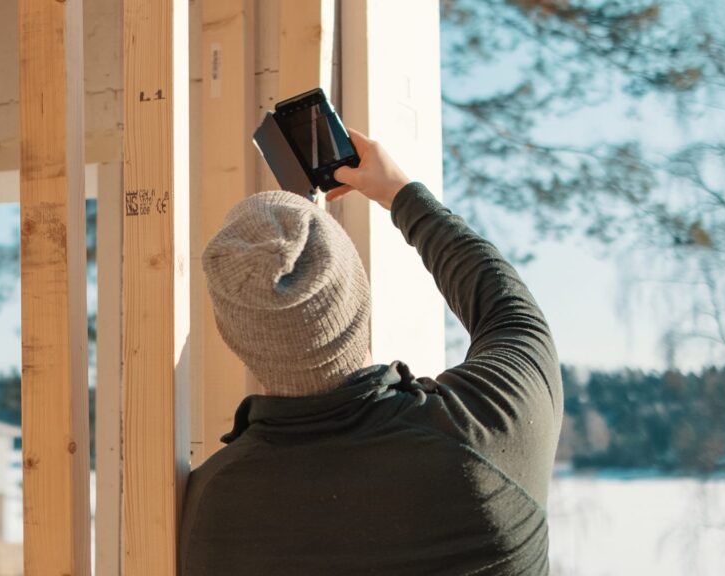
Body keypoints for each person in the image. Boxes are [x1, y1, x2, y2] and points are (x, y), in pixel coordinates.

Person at [180, 128, 564, 575]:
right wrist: (399, 193)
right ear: (359, 298)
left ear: (234, 337)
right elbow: (511, 314)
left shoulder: (214, 506)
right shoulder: (489, 432)